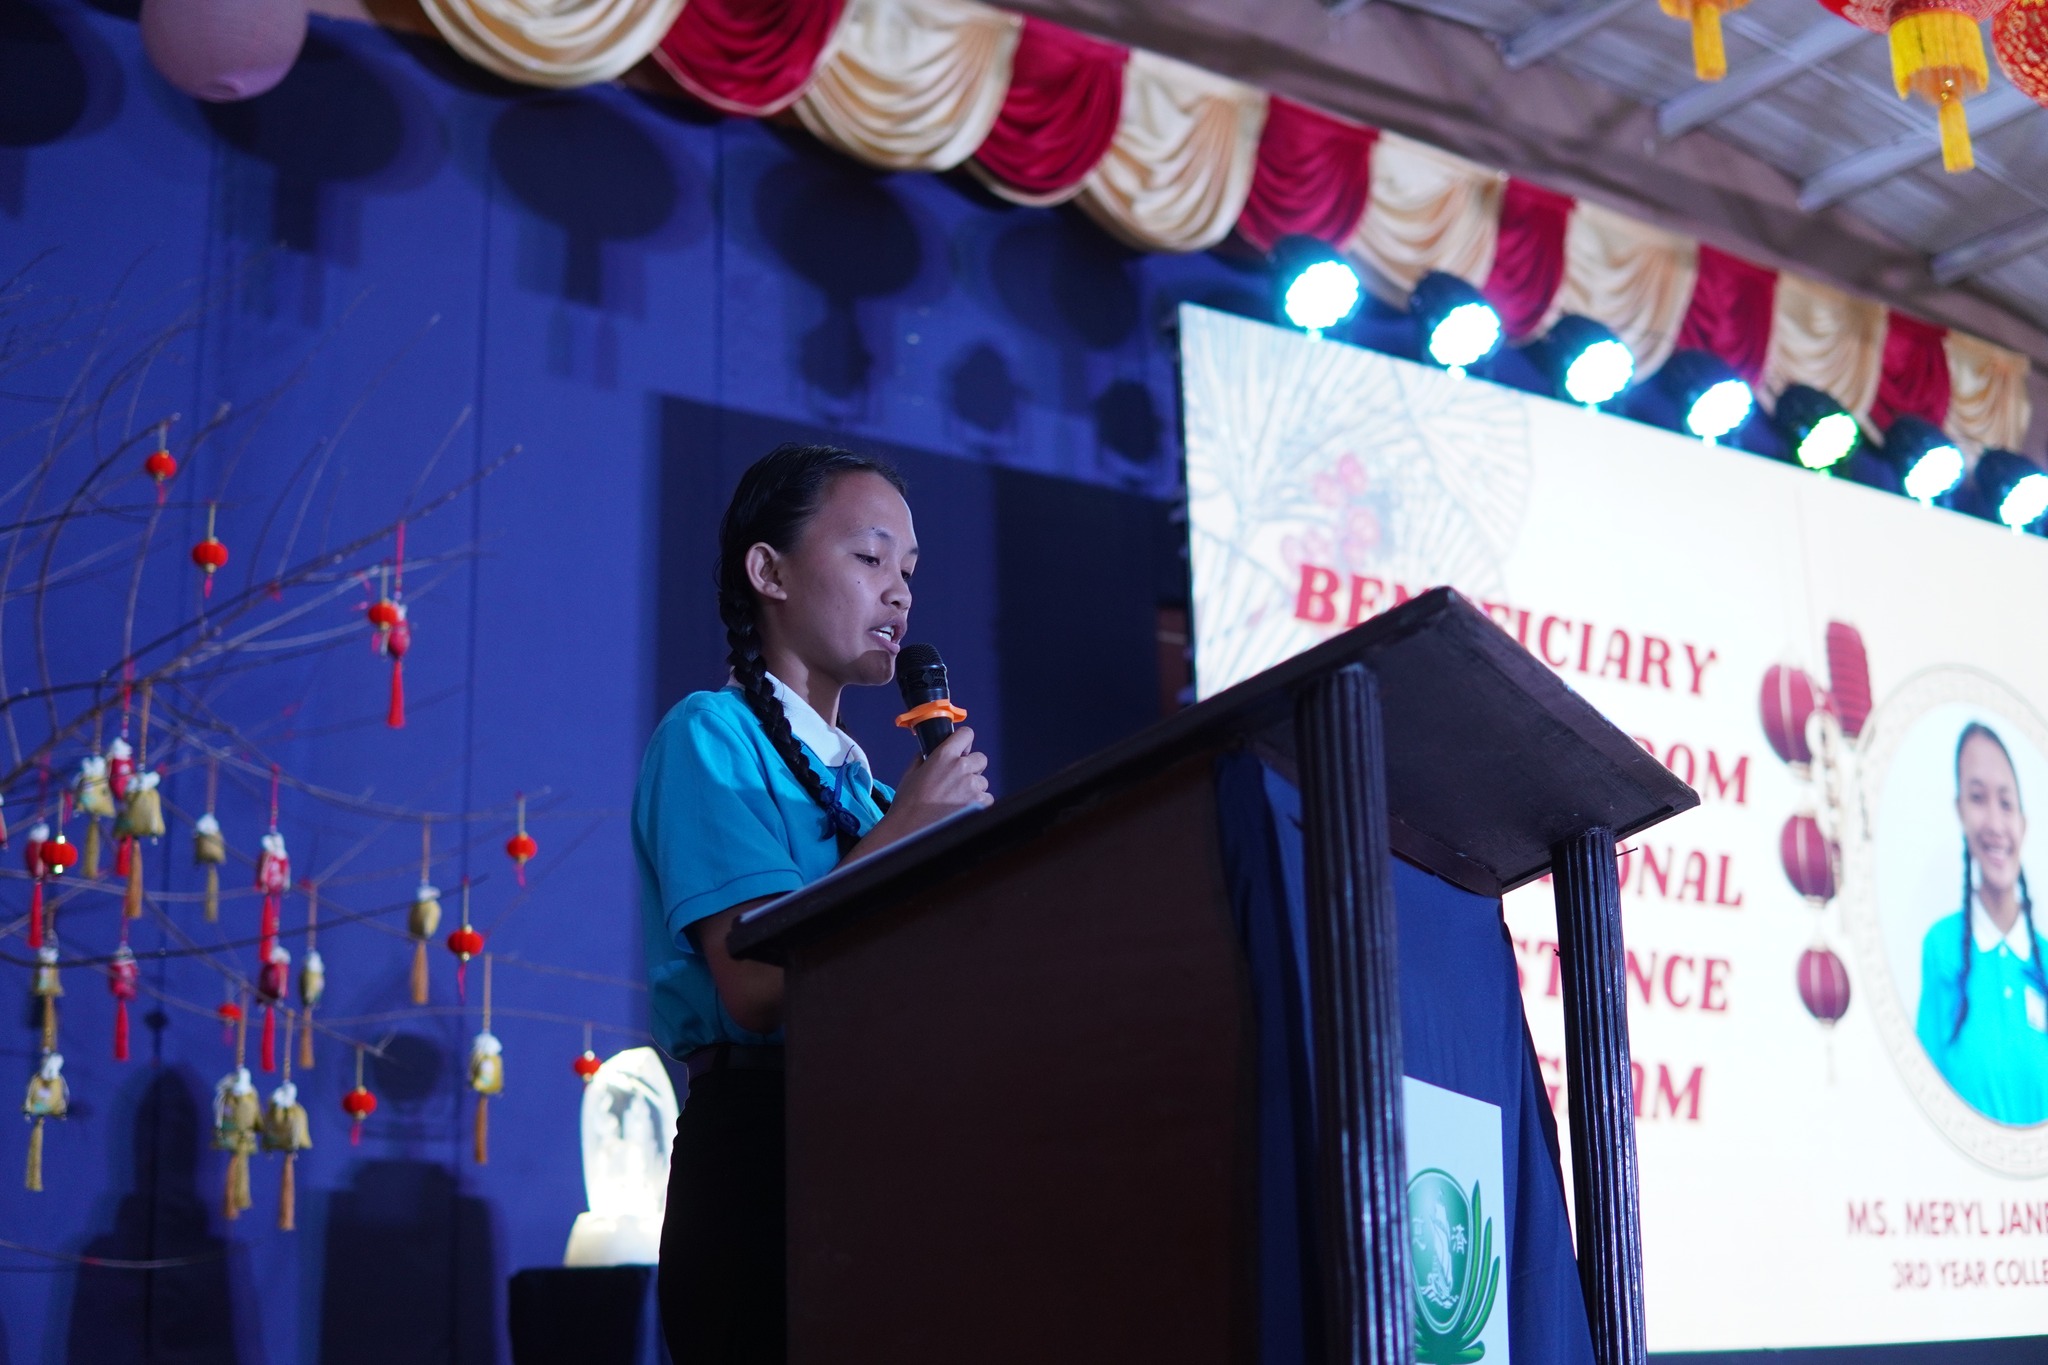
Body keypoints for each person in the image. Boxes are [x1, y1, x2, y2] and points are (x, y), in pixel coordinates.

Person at [634, 444, 992, 1364]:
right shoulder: (711, 735)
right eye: (871, 558)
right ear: (769, 571)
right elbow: (754, 983)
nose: (900, 594)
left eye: (909, 571)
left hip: (892, 1154)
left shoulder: (874, 790)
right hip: (765, 1165)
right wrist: (909, 831)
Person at [1914, 721, 2048, 1126]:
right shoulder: (1940, 948)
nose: (1994, 821)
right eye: (1977, 798)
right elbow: (1924, 1107)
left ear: (2023, 823)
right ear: (1959, 810)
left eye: (2006, 803)